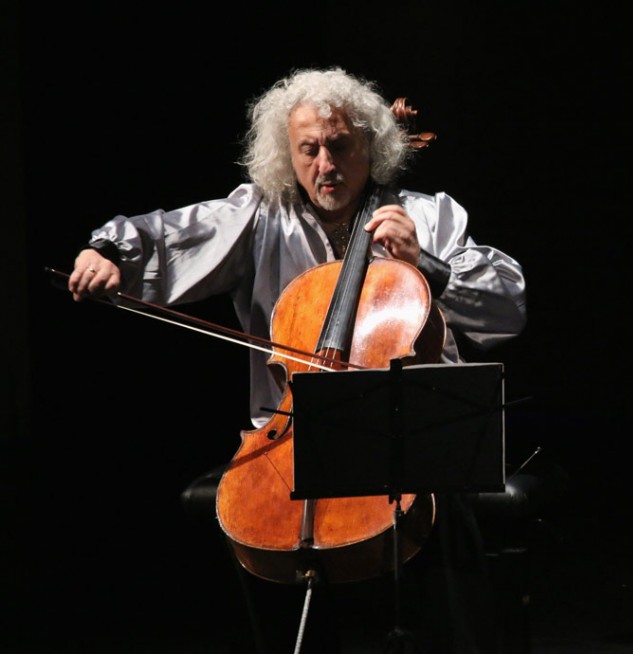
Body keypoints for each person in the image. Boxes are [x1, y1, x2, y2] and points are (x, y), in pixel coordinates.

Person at [66, 66, 527, 654]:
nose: (325, 165)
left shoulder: (429, 215)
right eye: (308, 150)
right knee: (258, 542)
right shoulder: (259, 214)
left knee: (444, 525)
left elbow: (508, 307)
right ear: (288, 155)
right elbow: (171, 234)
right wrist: (108, 251)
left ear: (373, 147)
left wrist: (427, 264)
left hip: (410, 437)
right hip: (292, 434)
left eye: (340, 146)